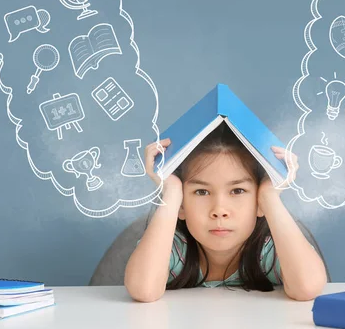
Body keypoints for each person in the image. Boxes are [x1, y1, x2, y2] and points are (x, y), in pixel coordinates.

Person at [124, 123, 327, 302]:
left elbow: (307, 287)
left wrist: (269, 198)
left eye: (237, 191)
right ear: (182, 205)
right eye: (201, 192)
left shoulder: (270, 249)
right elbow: (144, 290)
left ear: (258, 201)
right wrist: (171, 193)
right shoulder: (173, 247)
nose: (219, 210)